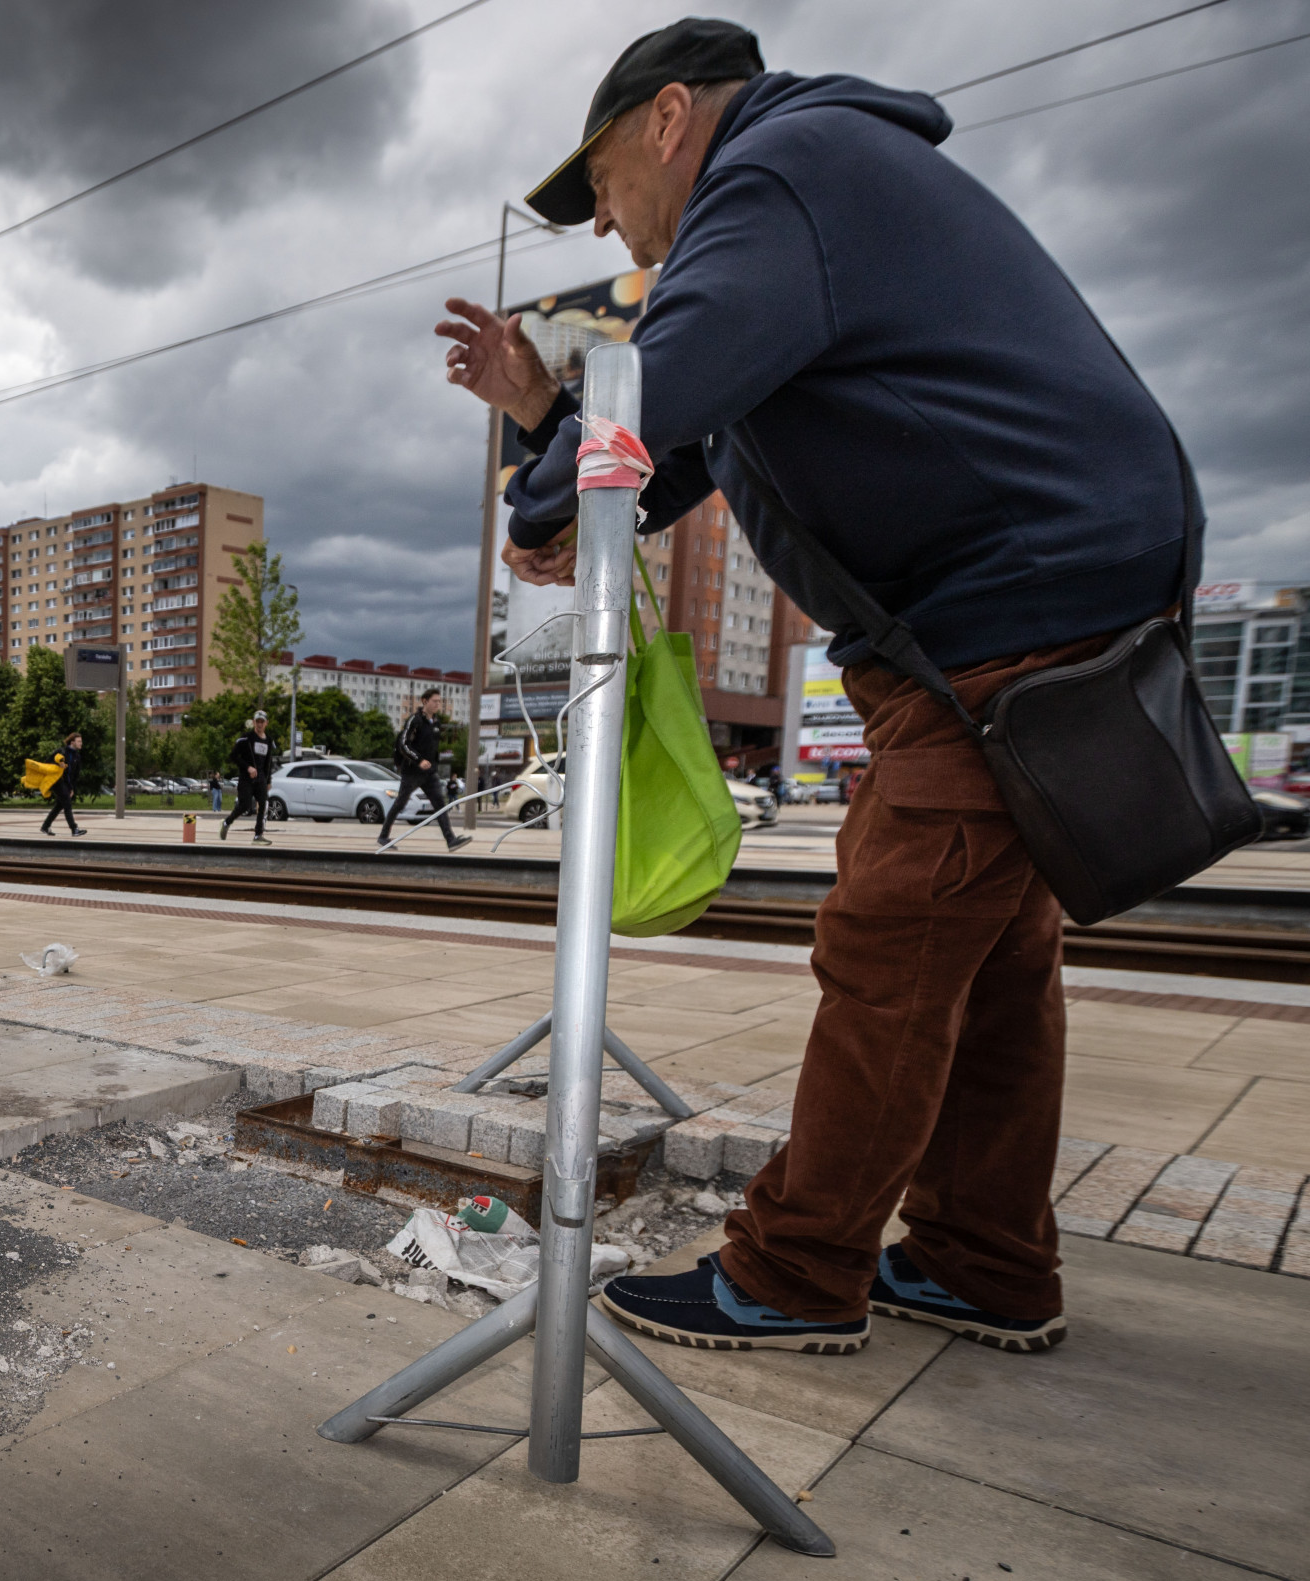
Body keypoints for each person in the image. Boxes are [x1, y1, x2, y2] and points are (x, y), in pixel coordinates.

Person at [440, 18, 1198, 1356]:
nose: (610, 228)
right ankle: (985, 1259)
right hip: (1017, 602)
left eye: (604, 183)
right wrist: (535, 421)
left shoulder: (779, 179)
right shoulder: (799, 214)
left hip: (1004, 608)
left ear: (669, 121)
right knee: (997, 960)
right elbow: (662, 462)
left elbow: (633, 424)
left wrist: (555, 473)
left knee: (892, 942)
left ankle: (793, 1273)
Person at [380, 690, 470, 852]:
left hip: (429, 774)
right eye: (434, 701)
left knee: (440, 805)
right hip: (412, 772)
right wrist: (419, 760)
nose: (438, 704)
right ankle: (383, 836)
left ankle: (451, 840)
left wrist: (433, 764)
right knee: (400, 803)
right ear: (424, 701)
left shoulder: (435, 722)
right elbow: (404, 745)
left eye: (439, 701)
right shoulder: (415, 721)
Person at [219, 713, 274, 844]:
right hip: (246, 778)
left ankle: (258, 835)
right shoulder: (246, 738)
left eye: (262, 722)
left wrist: (268, 780)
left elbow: (268, 762)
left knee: (263, 803)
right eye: (257, 722)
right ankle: (227, 822)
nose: (260, 724)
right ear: (254, 722)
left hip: (260, 778)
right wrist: (248, 767)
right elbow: (233, 756)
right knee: (245, 805)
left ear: (266, 723)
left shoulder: (269, 741)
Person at [39, 731, 87, 838]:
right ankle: (74, 829)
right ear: (72, 742)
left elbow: (75, 775)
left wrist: (72, 788)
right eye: (79, 741)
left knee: (59, 805)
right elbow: (47, 764)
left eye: (81, 741)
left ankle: (45, 826)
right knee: (67, 804)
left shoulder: (77, 756)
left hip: (66, 784)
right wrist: (57, 765)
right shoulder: (61, 752)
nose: (81, 743)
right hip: (57, 782)